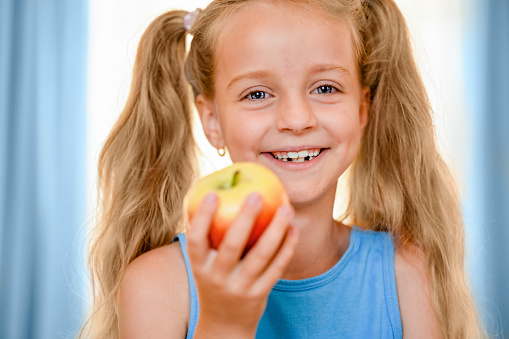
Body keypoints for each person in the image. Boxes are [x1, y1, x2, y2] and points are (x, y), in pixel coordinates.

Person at [81, 0, 486, 338]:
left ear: (362, 108)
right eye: (257, 93)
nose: (296, 118)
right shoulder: (158, 286)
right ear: (212, 121)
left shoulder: (406, 276)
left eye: (326, 88)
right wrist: (225, 322)